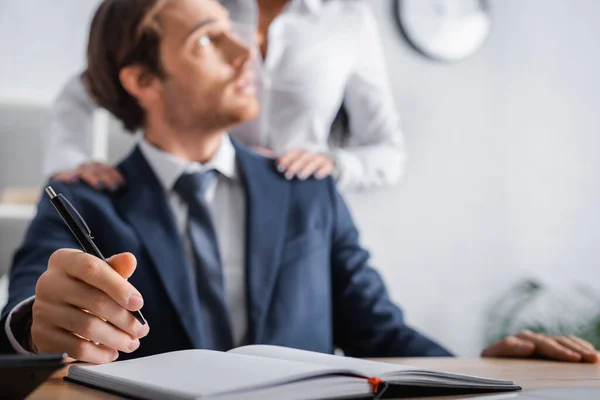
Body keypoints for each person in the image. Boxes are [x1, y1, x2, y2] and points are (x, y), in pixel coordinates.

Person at [2, 0, 597, 365]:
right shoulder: (82, 198)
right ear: (142, 80)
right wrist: (37, 324)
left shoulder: (308, 188)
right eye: (210, 39)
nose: (248, 52)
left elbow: (379, 329)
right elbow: (25, 311)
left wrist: (482, 369)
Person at [44, 0, 405, 192]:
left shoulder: (348, 19)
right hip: (192, 193)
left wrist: (334, 166)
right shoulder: (197, 8)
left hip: (301, 206)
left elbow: (387, 151)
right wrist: (70, 165)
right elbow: (85, 91)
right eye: (210, 39)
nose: (243, 53)